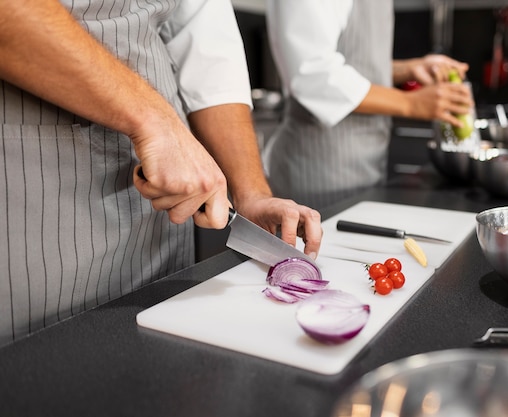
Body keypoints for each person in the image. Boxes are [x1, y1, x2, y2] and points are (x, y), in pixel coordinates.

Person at [0, 0, 322, 347]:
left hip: (163, 217)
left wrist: (251, 192)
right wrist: (155, 121)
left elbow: (206, 39)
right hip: (37, 192)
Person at [263, 0, 473, 209]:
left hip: (367, 170)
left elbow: (354, 63)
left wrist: (408, 69)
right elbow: (312, 73)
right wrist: (411, 103)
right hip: (316, 174)